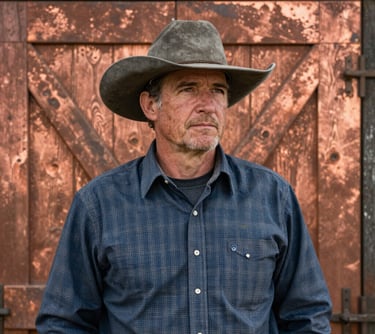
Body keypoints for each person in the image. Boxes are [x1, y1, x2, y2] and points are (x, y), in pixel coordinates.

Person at [36, 19, 332, 333]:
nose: (207, 105)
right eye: (188, 88)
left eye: (217, 90)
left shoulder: (273, 197)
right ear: (151, 105)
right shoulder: (99, 205)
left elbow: (307, 316)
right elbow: (63, 323)